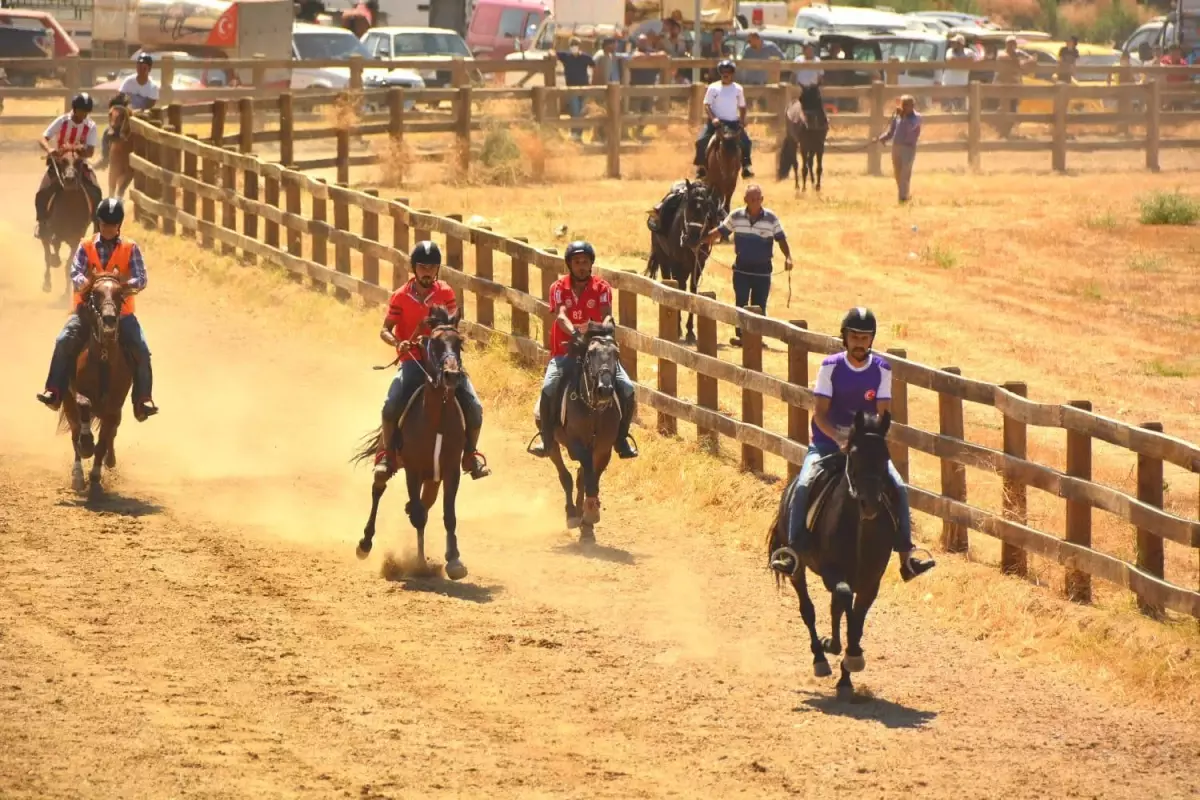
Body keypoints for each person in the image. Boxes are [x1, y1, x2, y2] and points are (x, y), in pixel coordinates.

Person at [769, 307, 936, 582]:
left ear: (872, 340)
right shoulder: (830, 366)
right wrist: (838, 438)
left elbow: (882, 413)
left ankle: (907, 554)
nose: (860, 343)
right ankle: (794, 549)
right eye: (854, 336)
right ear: (844, 338)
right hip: (827, 443)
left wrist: (865, 442)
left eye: (865, 337)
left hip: (865, 448)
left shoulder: (882, 369)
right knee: (802, 485)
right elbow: (819, 413)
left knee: (899, 487)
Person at [36, 197, 158, 421]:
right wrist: (86, 283)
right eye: (103, 225)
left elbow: (141, 278)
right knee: (63, 340)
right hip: (87, 311)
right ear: (98, 223)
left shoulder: (131, 248)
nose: (107, 229)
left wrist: (122, 287)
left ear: (119, 225)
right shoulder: (86, 245)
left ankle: (143, 400)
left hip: (122, 314)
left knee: (142, 349)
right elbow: (75, 271)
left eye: (112, 225)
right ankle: (54, 391)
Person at [375, 241, 489, 480]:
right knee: (390, 405)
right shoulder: (400, 296)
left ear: (438, 269)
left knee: (475, 408)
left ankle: (470, 455)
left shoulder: (445, 292)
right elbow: (385, 329)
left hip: (445, 362)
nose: (427, 272)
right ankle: (387, 455)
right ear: (414, 269)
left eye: (432, 267)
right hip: (413, 361)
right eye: (422, 267)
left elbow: (451, 323)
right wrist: (398, 343)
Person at [528, 241, 638, 460]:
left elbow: (606, 314)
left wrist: (605, 325)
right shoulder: (558, 288)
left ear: (591, 264)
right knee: (549, 388)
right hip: (565, 352)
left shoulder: (602, 287)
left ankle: (622, 437)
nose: (581, 266)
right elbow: (560, 317)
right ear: (569, 264)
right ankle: (546, 436)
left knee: (627, 388)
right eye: (576, 262)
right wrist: (576, 334)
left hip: (597, 353)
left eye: (585, 262)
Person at [703, 184, 792, 346]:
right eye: (752, 199)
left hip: (762, 269)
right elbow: (720, 232)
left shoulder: (771, 218)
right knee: (741, 302)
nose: (755, 202)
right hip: (742, 268)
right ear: (745, 200)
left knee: (760, 304)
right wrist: (701, 241)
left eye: (758, 199)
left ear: (762, 199)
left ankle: (756, 337)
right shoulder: (736, 216)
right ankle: (743, 337)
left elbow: (781, 239)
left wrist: (788, 257)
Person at [35, 92, 103, 238]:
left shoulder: (90, 125)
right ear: (74, 109)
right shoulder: (62, 120)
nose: (83, 114)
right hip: (60, 163)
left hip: (79, 164)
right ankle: (42, 223)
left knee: (96, 191)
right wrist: (50, 149)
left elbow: (90, 151)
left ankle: (97, 226)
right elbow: (43, 138)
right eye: (81, 111)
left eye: (86, 112)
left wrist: (79, 151)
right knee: (43, 191)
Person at [694, 59, 753, 179]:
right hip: (716, 123)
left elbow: (742, 106)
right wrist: (714, 118)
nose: (725, 74)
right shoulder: (713, 87)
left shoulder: (738, 89)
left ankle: (746, 166)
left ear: (732, 73)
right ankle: (701, 167)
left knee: (746, 142)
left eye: (728, 71)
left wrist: (742, 120)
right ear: (720, 73)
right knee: (701, 141)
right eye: (723, 71)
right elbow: (707, 105)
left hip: (733, 123)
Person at [98, 53, 159, 169]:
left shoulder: (152, 87)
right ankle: (105, 157)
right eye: (138, 66)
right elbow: (120, 98)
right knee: (108, 131)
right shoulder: (129, 81)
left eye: (144, 67)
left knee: (151, 135)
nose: (140, 69)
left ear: (149, 69)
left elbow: (149, 105)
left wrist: (135, 112)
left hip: (142, 116)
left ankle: (151, 160)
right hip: (126, 114)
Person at [877, 94, 921, 203]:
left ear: (912, 106)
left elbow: (911, 128)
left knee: (905, 173)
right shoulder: (897, 117)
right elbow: (892, 131)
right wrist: (882, 138)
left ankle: (903, 198)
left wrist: (903, 117)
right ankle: (904, 194)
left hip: (908, 148)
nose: (904, 107)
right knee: (897, 173)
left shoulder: (916, 118)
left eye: (907, 105)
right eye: (903, 104)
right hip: (896, 147)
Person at [557, 37, 594, 142]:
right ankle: (574, 133)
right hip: (572, 88)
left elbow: (594, 65)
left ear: (580, 46)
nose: (574, 46)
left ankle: (579, 134)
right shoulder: (566, 57)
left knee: (581, 112)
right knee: (575, 110)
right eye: (572, 44)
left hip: (584, 88)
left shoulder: (585, 57)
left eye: (576, 44)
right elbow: (554, 53)